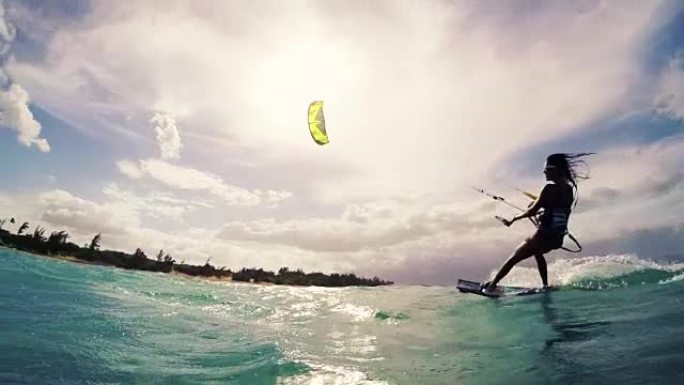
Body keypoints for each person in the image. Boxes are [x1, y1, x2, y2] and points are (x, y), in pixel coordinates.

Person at [481, 153, 592, 293]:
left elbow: (532, 211)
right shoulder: (568, 190)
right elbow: (561, 210)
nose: (544, 171)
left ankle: (491, 286)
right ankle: (545, 285)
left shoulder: (549, 188)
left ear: (555, 169)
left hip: (543, 236)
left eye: (546, 168)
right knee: (537, 253)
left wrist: (514, 218)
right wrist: (543, 213)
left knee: (514, 258)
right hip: (557, 238)